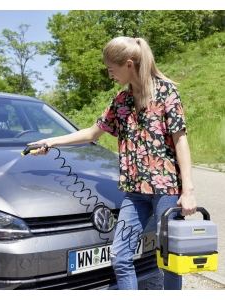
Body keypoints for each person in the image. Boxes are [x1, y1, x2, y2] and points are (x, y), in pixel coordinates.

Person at [27, 36, 197, 290]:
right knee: (121, 257)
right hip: (135, 194)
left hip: (166, 192)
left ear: (129, 64)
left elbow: (181, 141)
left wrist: (189, 191)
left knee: (170, 260)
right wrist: (51, 141)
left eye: (111, 69)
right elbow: (91, 133)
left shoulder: (166, 93)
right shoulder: (121, 101)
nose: (109, 76)